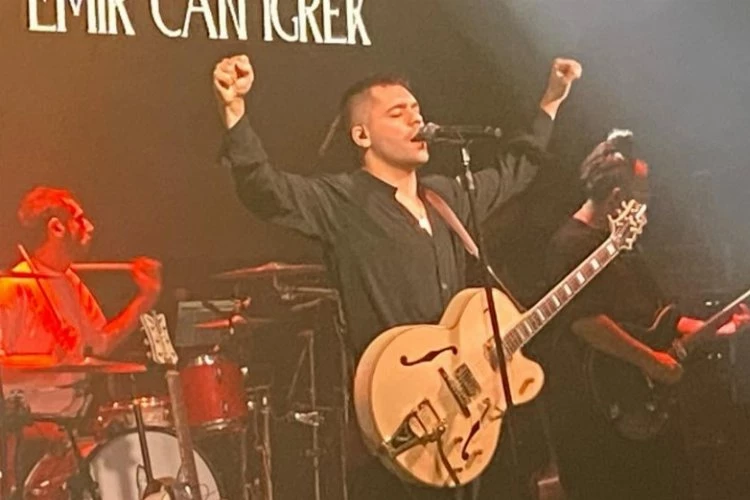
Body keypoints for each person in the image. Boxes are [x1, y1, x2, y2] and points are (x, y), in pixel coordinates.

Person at [213, 54, 581, 499]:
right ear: (362, 135)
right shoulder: (342, 200)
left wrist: (550, 102)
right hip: (397, 409)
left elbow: (513, 172)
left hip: (462, 410)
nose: (416, 119)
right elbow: (266, 190)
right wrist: (234, 110)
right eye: (397, 112)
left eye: (417, 110)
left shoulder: (446, 197)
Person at [542, 130, 749, 499]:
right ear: (617, 197)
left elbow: (657, 318)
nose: (646, 204)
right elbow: (585, 321)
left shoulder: (623, 244)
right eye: (641, 196)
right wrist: (650, 361)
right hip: (604, 417)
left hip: (648, 408)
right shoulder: (568, 246)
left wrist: (716, 328)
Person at [0, 186, 162, 488]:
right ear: (56, 228)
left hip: (73, 425)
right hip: (30, 433)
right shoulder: (13, 288)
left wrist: (145, 300)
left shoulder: (71, 282)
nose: (90, 227)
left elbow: (100, 343)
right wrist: (46, 363)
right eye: (79, 218)